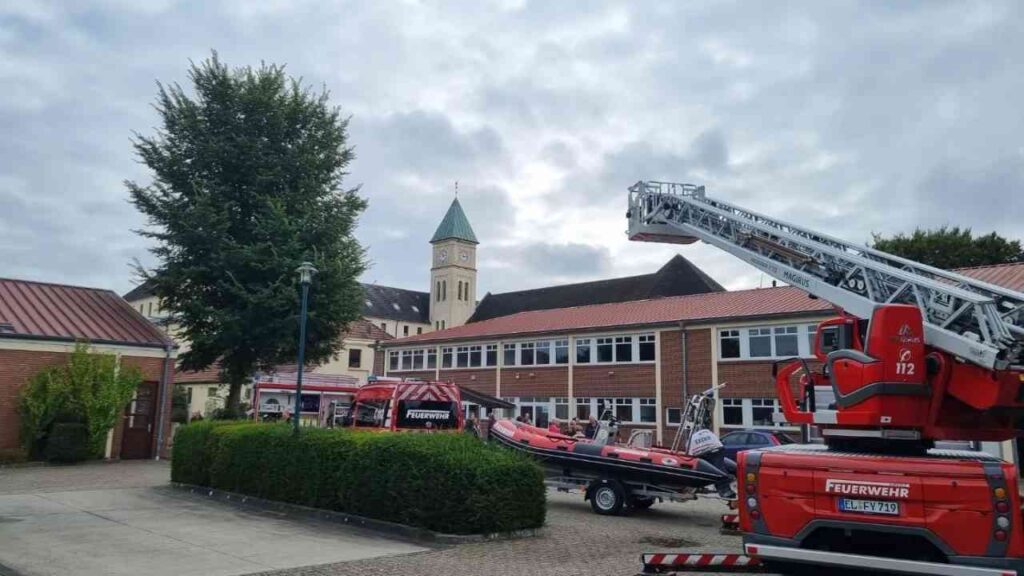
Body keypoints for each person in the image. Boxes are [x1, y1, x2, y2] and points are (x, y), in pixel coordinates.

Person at [687, 428, 736, 500]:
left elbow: (689, 454)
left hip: (704, 452)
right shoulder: (707, 433)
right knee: (719, 467)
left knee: (716, 470)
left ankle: (725, 491)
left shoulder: (692, 438)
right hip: (717, 449)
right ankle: (725, 490)